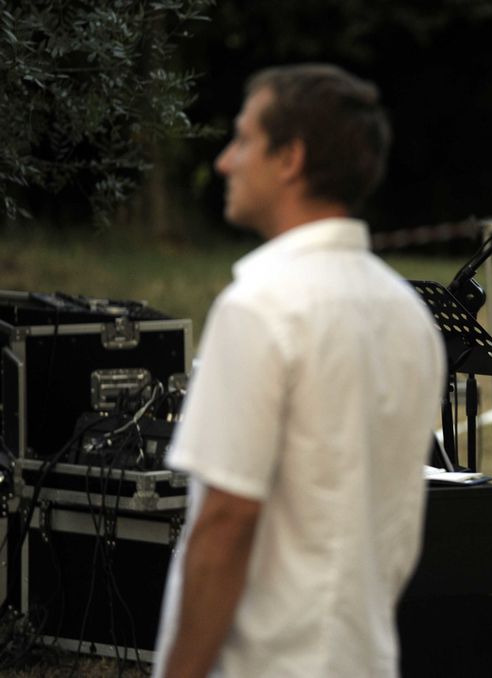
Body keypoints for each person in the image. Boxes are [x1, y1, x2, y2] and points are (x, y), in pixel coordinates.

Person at [153, 64, 445, 678]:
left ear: (290, 158)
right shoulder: (407, 313)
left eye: (242, 140)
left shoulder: (261, 305)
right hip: (363, 652)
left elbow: (225, 520)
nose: (226, 161)